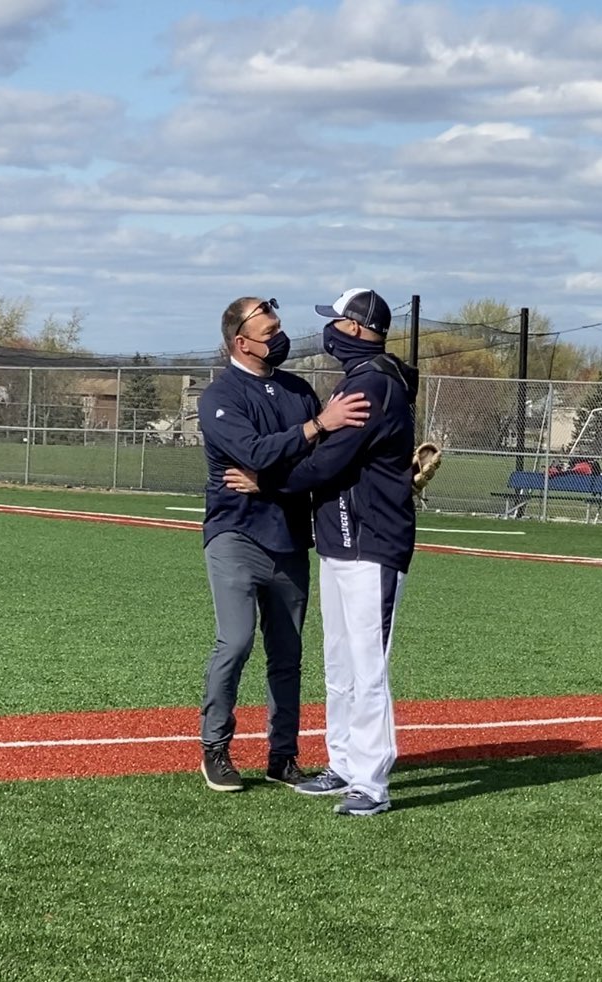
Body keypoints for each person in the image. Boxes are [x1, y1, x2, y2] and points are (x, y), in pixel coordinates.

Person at [225, 288, 418, 817]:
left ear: (356, 328)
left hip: (373, 542)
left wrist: (264, 484)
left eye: (336, 321)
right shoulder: (362, 379)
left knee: (367, 665)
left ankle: (372, 783)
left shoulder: (374, 382)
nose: (329, 329)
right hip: (340, 537)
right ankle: (343, 764)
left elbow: (324, 465)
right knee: (338, 662)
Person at [198, 295, 370, 793]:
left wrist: (291, 461)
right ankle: (216, 747)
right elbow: (252, 452)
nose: (279, 338)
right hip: (236, 533)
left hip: (291, 535)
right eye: (269, 332)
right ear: (241, 342)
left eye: (278, 328)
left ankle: (283, 756)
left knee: (287, 652)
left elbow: (315, 462)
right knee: (235, 641)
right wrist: (316, 427)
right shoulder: (221, 395)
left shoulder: (297, 390)